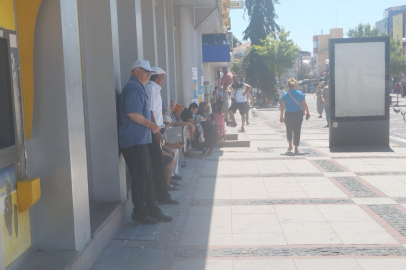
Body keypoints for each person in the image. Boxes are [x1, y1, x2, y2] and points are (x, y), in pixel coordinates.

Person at [118, 60, 172, 224]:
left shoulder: (138, 86)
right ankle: (140, 212)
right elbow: (132, 113)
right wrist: (152, 125)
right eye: (146, 71)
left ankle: (151, 210)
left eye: (150, 72)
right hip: (133, 141)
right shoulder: (134, 87)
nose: (149, 75)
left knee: (147, 176)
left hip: (140, 140)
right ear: (136, 71)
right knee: (141, 177)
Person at [145, 67, 180, 205]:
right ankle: (161, 195)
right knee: (158, 165)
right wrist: (156, 131)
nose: (164, 80)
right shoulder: (152, 89)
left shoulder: (154, 89)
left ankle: (160, 194)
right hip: (153, 132)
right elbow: (150, 112)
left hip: (155, 130)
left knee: (158, 164)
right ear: (158, 78)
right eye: (163, 77)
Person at [280, 78, 310, 154]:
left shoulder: (285, 94)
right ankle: (296, 148)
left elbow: (283, 107)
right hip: (298, 114)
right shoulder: (300, 93)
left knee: (289, 129)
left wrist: (281, 116)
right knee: (297, 130)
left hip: (288, 114)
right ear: (295, 85)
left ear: (288, 85)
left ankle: (290, 145)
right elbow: (304, 104)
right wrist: (307, 112)